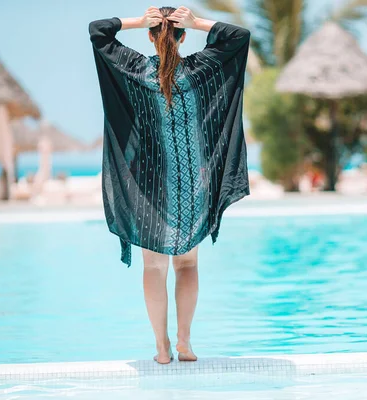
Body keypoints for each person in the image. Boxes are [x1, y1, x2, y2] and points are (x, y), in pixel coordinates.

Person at [89, 7, 251, 364]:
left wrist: (136, 22)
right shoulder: (197, 70)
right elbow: (239, 36)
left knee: (154, 268)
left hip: (149, 184)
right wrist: (198, 22)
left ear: (151, 35)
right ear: (183, 36)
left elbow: (99, 31)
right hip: (193, 182)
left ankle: (161, 348)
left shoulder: (135, 69)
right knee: (187, 266)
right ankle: (184, 343)